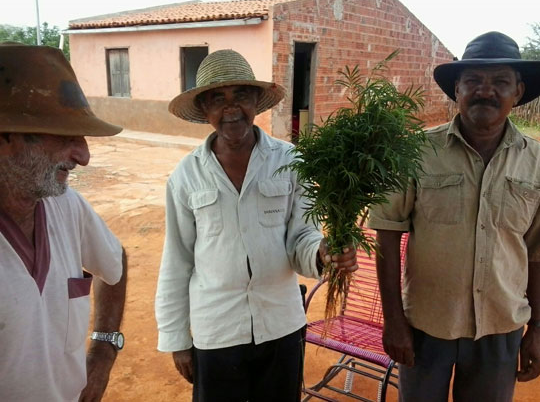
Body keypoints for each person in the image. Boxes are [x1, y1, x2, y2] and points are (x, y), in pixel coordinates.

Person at [155, 49, 358, 402]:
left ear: (256, 103)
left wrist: (322, 252)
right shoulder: (186, 177)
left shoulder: (291, 161)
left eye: (241, 96)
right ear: (205, 109)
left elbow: (302, 237)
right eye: (218, 98)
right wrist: (177, 341)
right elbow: (177, 261)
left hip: (280, 323)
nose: (231, 109)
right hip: (216, 330)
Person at [368, 31, 540, 401]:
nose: (485, 91)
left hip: (500, 327)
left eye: (500, 82)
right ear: (457, 90)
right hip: (426, 327)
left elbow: (537, 253)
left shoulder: (536, 162)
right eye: (473, 81)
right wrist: (393, 322)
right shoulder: (414, 151)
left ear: (519, 92)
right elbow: (385, 234)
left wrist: (539, 328)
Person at [0, 43, 127, 402]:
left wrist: (103, 350)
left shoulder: (66, 205)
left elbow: (115, 264)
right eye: (65, 135)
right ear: (6, 137)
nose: (84, 155)